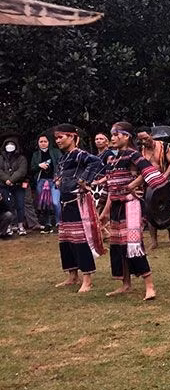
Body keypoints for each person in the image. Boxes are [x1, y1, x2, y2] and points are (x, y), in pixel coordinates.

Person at [99, 121, 168, 301]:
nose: (113, 138)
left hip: (131, 206)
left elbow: (152, 172)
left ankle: (149, 286)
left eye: (116, 135)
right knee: (118, 246)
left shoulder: (133, 155)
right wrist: (105, 212)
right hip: (116, 207)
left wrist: (133, 185)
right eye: (112, 135)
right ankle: (125, 283)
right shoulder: (112, 159)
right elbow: (111, 188)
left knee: (134, 244)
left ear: (126, 136)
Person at [52, 124, 105, 292]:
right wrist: (57, 179)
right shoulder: (63, 158)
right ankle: (72, 275)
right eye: (56, 138)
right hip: (65, 200)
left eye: (61, 137)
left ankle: (87, 279)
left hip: (77, 201)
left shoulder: (80, 154)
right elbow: (59, 173)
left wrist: (83, 180)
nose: (58, 141)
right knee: (66, 240)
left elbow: (97, 162)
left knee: (80, 239)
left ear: (72, 137)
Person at [137, 126, 170, 249]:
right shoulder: (140, 151)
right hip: (149, 183)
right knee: (150, 211)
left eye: (145, 138)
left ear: (151, 135)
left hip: (165, 182)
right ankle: (154, 240)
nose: (144, 141)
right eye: (141, 140)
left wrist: (164, 176)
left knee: (167, 209)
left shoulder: (164, 146)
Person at [31, 134, 63, 232]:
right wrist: (39, 166)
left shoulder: (56, 152)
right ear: (38, 143)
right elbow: (32, 169)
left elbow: (62, 165)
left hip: (54, 180)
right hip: (41, 181)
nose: (43, 143)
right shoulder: (35, 154)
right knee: (45, 203)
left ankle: (59, 222)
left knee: (55, 202)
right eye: (41, 141)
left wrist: (59, 178)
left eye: (45, 141)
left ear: (49, 142)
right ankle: (47, 223)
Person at [0, 135, 28, 236]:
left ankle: (20, 226)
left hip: (18, 185)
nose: (10, 146)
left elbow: (22, 171)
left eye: (12, 144)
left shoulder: (21, 158)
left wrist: (11, 180)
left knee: (20, 205)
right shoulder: (1, 158)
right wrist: (6, 180)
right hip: (4, 186)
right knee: (8, 205)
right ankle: (9, 226)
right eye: (8, 144)